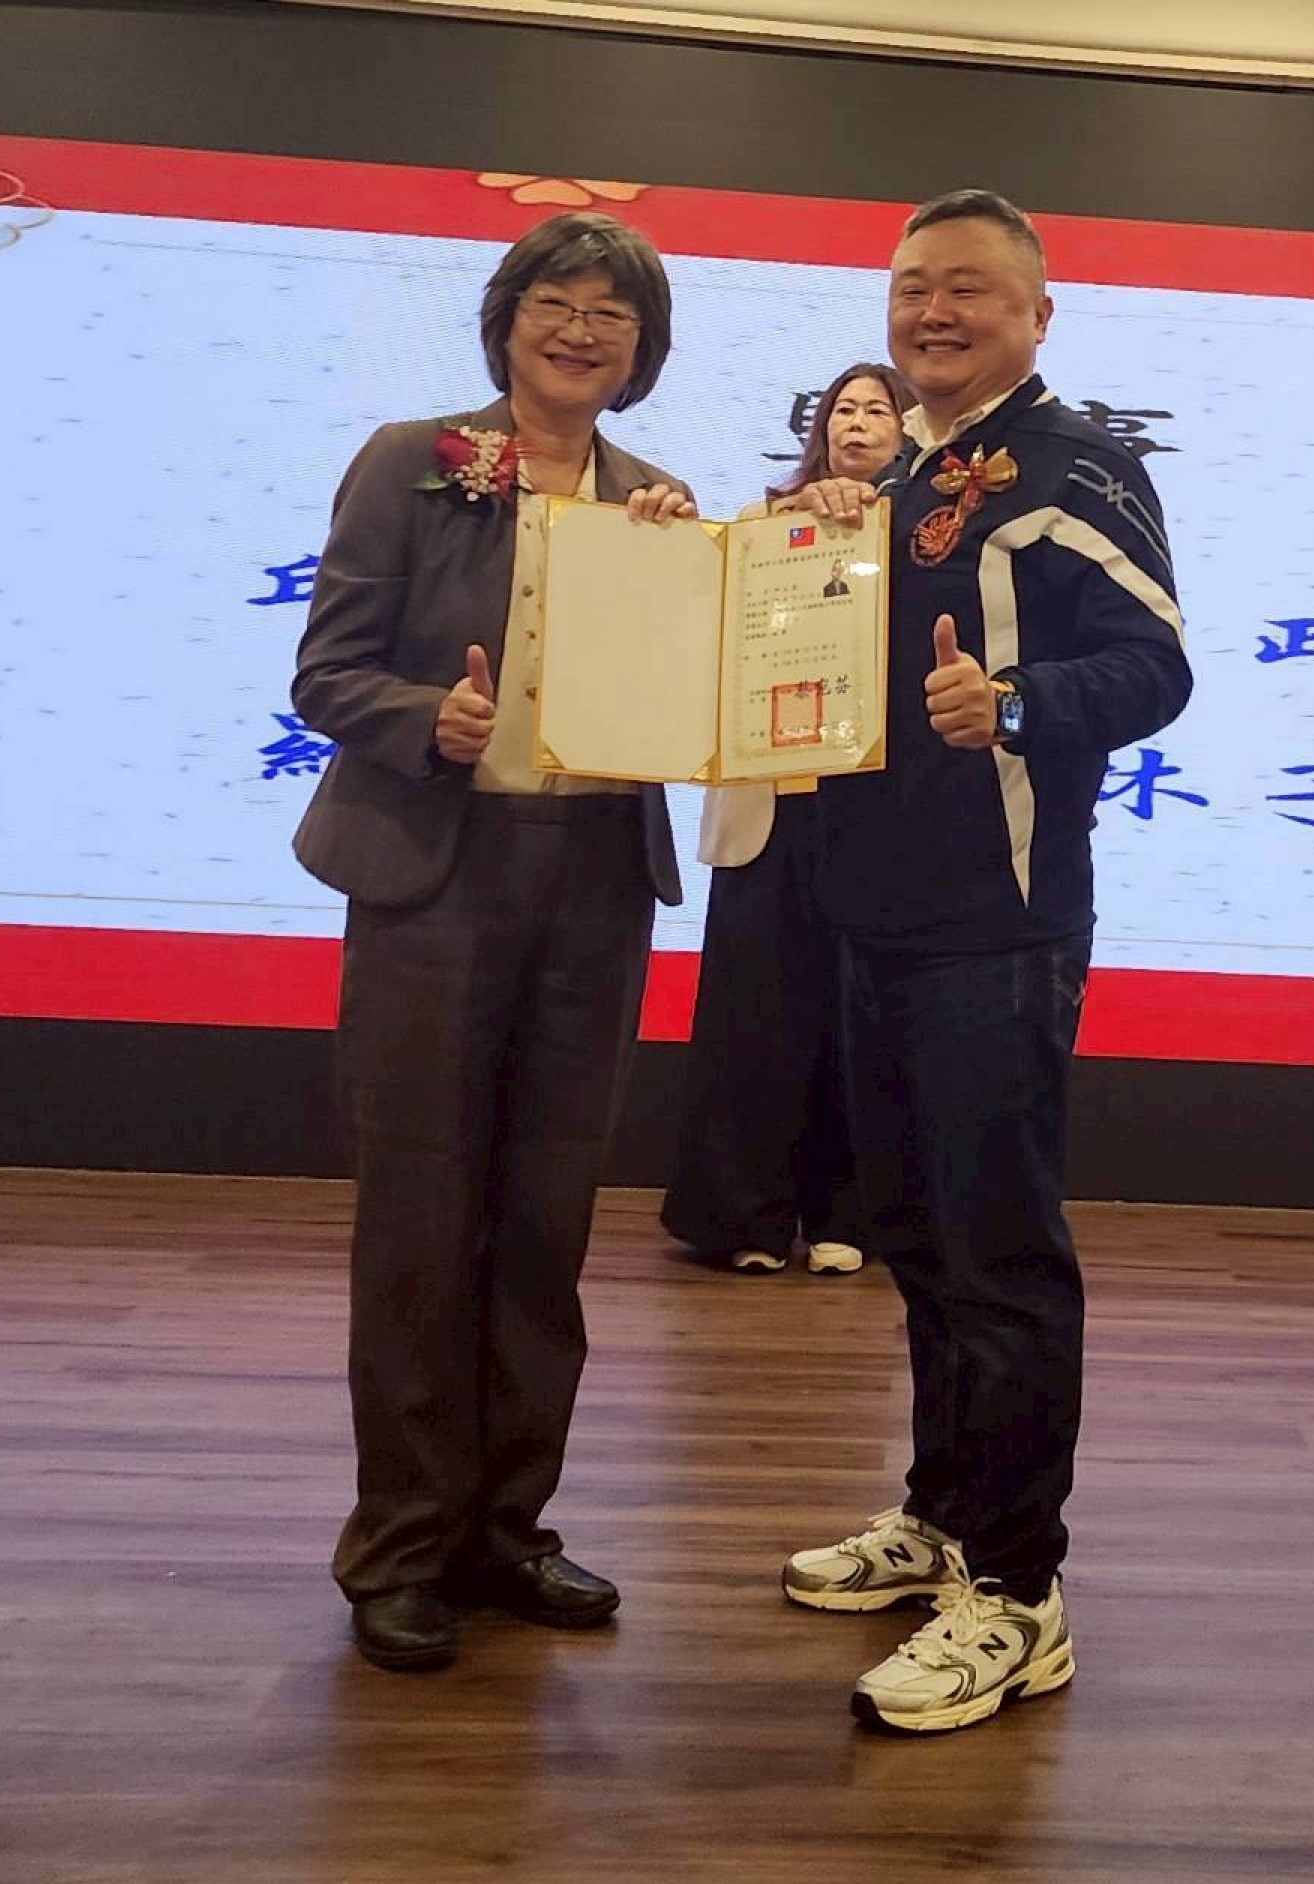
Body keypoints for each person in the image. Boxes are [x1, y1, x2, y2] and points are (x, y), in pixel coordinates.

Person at [778, 191, 1193, 1731]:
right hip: (874, 911)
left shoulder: (1078, 465)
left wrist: (1012, 704)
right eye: (911, 289)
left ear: (1035, 314)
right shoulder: (899, 475)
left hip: (998, 924)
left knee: (999, 1255)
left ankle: (1020, 1595)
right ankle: (947, 1515)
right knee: (921, 1240)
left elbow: (1155, 665)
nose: (932, 313)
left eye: (966, 288)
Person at [291, 211, 691, 1673]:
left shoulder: (659, 505)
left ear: (643, 350)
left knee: (543, 1218)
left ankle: (507, 1530)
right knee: (420, 1216)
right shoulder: (412, 461)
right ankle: (402, 1545)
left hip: (595, 882)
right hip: (436, 879)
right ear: (507, 319)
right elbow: (327, 671)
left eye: (612, 314)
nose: (582, 331)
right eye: (556, 302)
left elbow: (695, 693)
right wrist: (429, 719)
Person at [659, 363, 910, 1276]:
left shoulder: (926, 530)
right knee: (755, 1016)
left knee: (860, 1021)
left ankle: (849, 1214)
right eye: (843, 409)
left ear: (908, 430)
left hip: (874, 815)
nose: (856, 422)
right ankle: (744, 1218)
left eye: (877, 409)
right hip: (769, 806)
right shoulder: (763, 524)